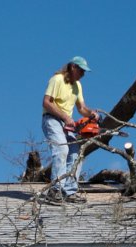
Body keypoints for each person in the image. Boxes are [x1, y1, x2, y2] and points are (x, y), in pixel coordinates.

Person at [41, 56, 97, 204]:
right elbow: (47, 102)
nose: (83, 74)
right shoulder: (57, 80)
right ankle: (55, 190)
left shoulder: (77, 85)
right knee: (61, 150)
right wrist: (65, 117)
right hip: (52, 119)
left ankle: (69, 191)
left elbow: (81, 108)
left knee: (76, 153)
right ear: (73, 67)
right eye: (81, 70)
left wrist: (91, 113)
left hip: (67, 123)